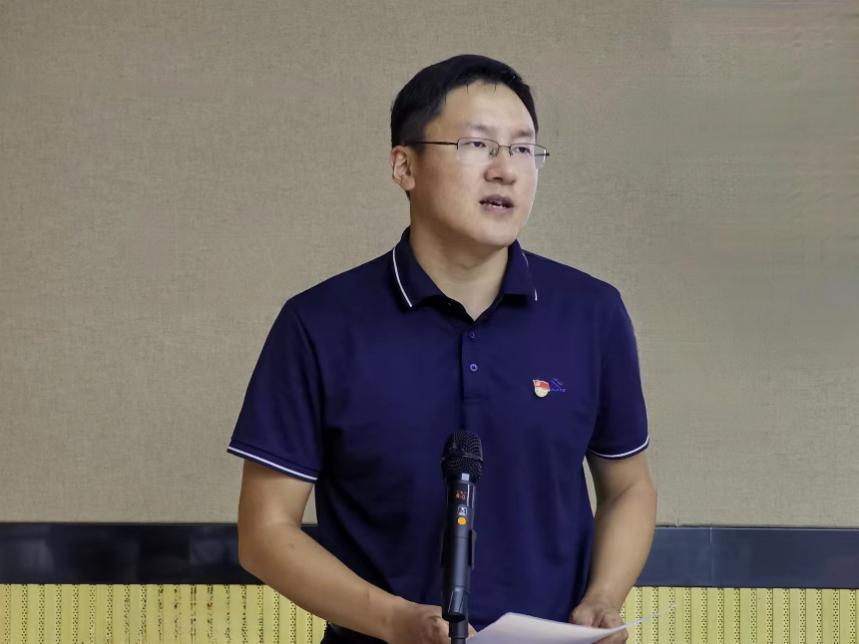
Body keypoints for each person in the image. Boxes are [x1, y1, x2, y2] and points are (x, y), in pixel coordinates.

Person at [228, 54, 657, 644]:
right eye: (478, 145)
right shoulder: (319, 323)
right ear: (405, 166)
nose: (506, 170)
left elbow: (629, 487)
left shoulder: (592, 312)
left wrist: (603, 598)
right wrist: (393, 620)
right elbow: (265, 532)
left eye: (523, 149)